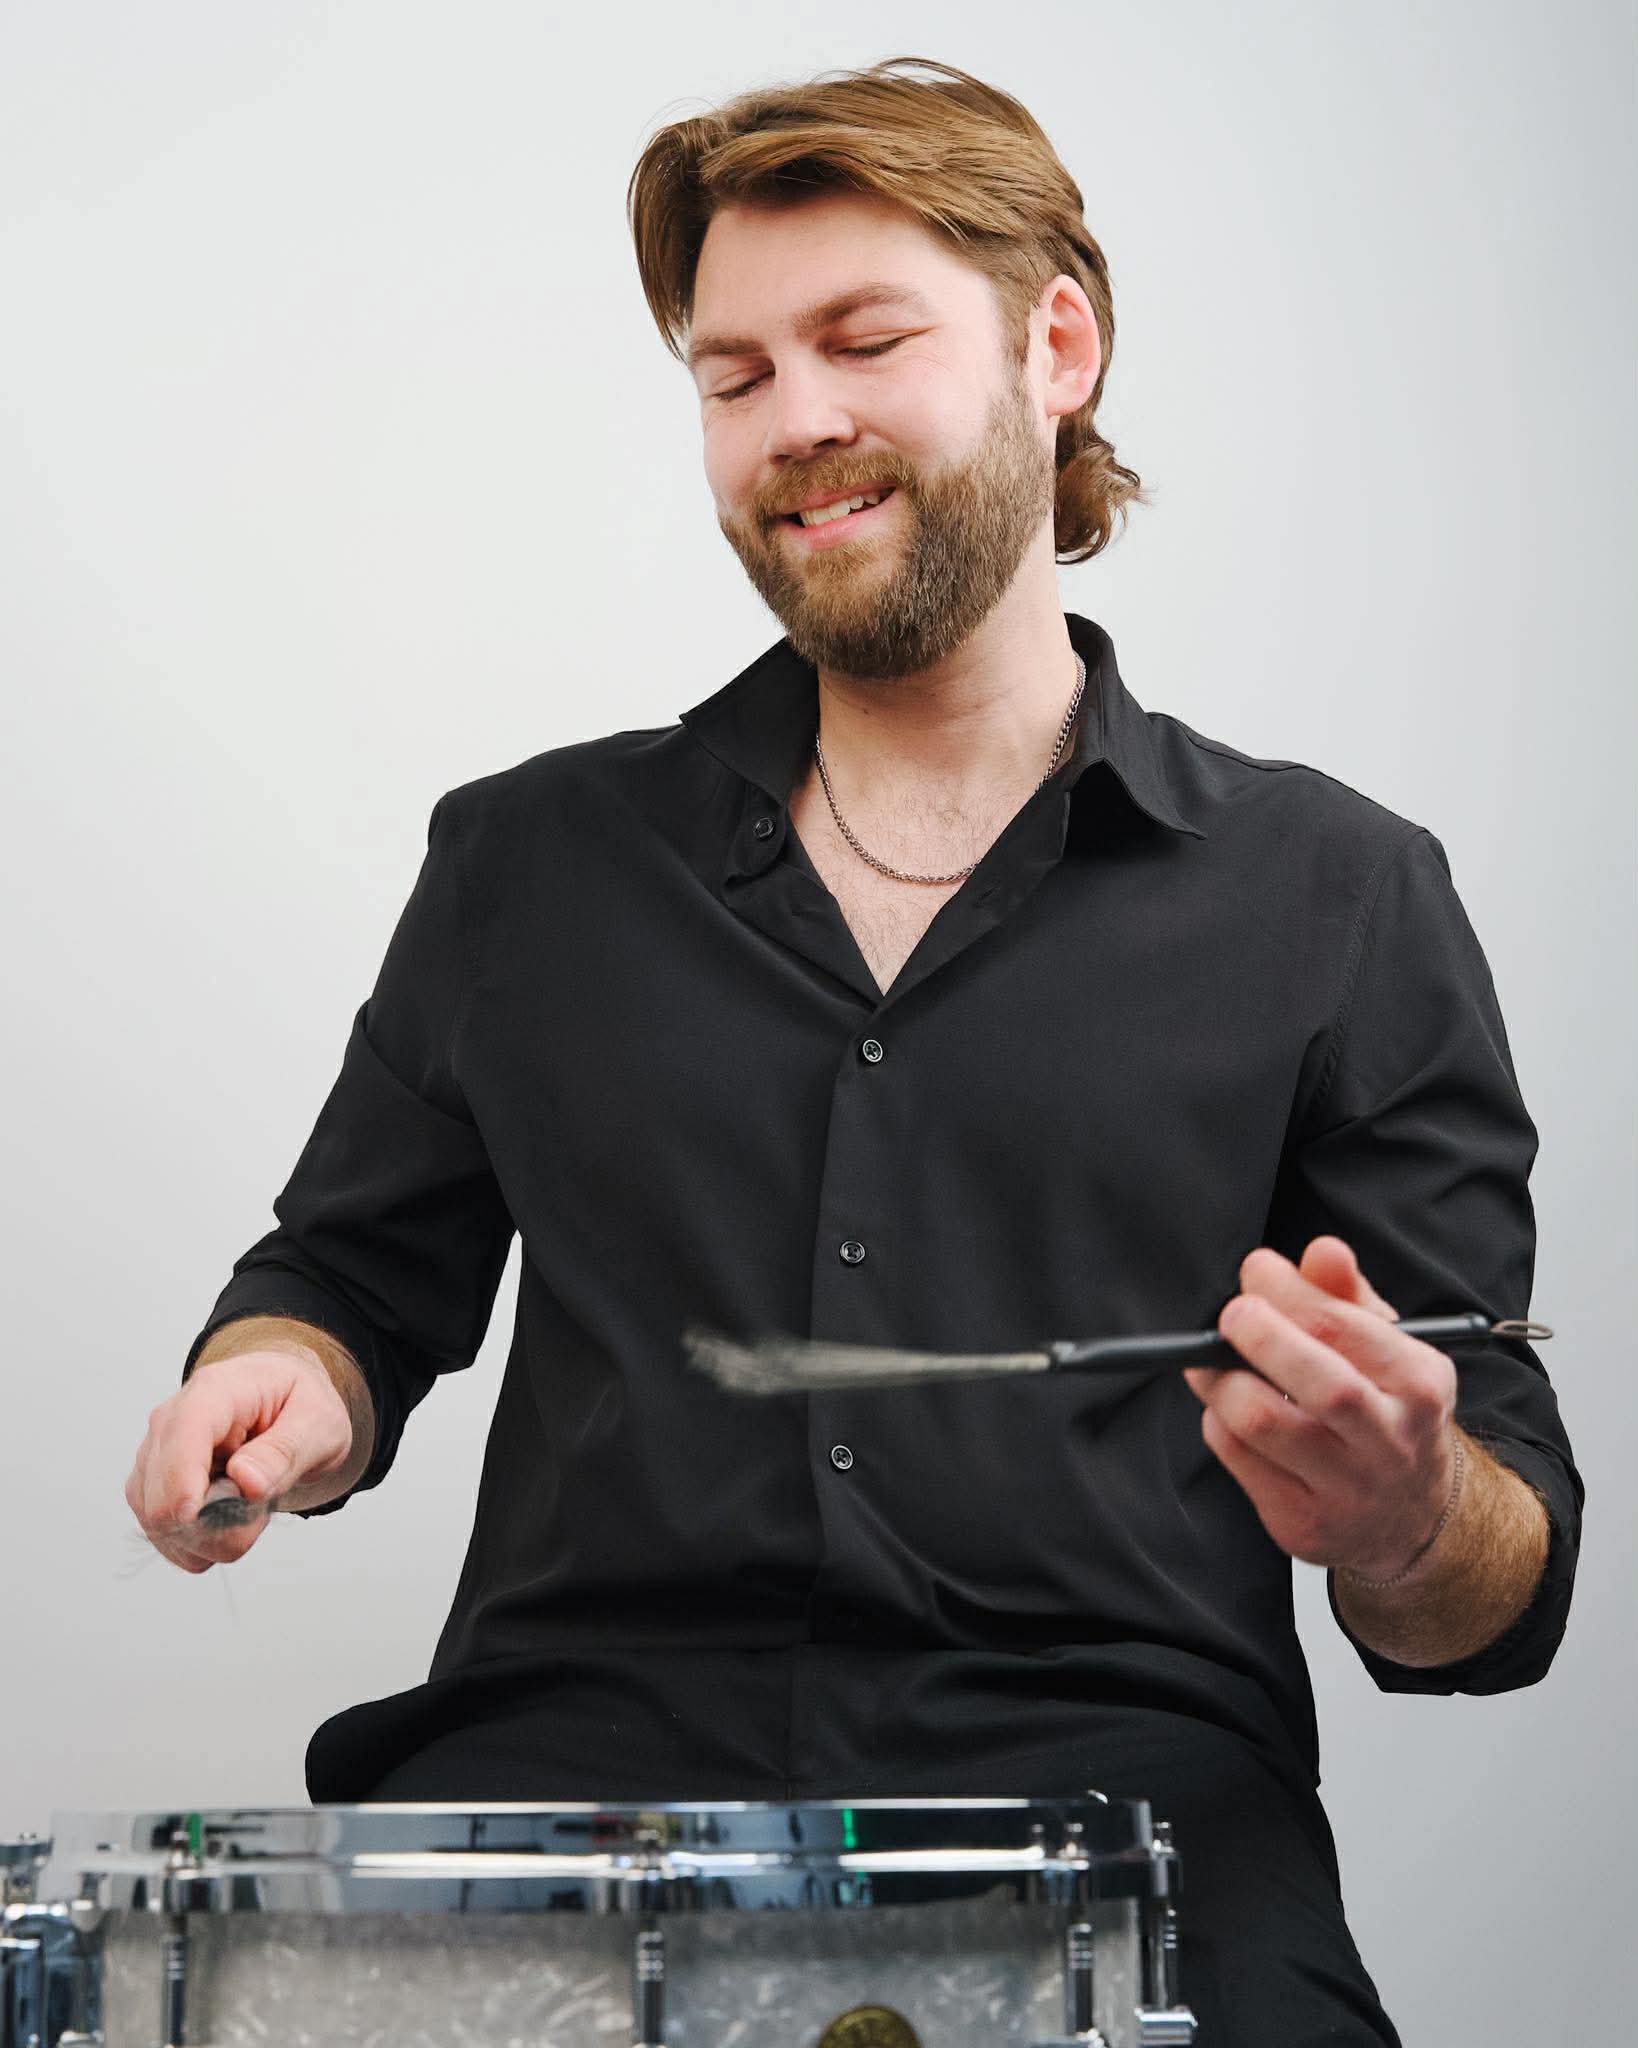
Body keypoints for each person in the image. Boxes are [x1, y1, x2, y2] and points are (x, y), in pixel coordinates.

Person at [125, 56, 1581, 2046]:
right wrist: (278, 1383)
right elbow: (347, 1282)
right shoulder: (526, 862)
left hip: (1136, 1828)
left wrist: (1406, 1513)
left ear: (1054, 346)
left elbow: (1494, 1594)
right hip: (562, 1798)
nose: (794, 418)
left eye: (864, 341)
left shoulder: (1340, 893)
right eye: (732, 375)